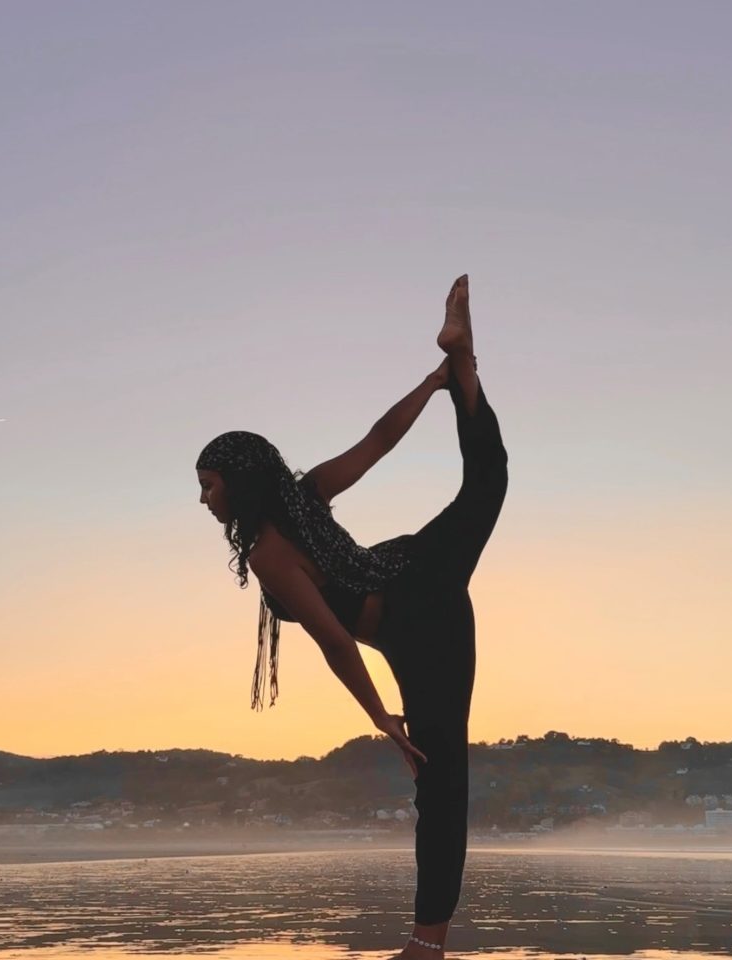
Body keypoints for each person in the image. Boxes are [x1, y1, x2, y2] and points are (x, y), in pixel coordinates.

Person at [195, 274, 508, 958]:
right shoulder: (302, 498)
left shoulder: (272, 550)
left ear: (239, 483)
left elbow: (338, 643)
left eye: (209, 485)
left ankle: (427, 947)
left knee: (440, 773)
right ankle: (463, 361)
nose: (204, 500)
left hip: (416, 616)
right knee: (489, 479)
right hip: (412, 573)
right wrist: (433, 385)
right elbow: (376, 442)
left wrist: (382, 722)